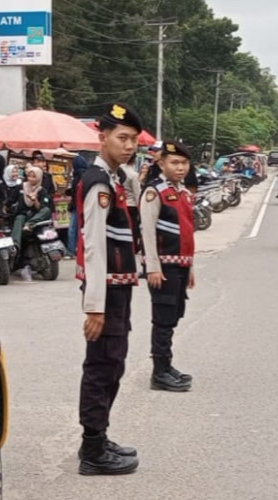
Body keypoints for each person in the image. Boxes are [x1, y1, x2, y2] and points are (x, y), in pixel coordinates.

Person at [75, 102, 142, 476]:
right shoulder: (98, 184)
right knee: (102, 367)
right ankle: (92, 450)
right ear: (102, 138)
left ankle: (99, 437)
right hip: (106, 292)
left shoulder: (115, 178)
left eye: (133, 139)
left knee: (113, 363)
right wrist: (94, 306)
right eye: (121, 138)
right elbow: (95, 246)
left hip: (119, 288)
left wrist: (127, 174)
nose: (129, 145)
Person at [139, 141, 195, 392]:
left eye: (184, 163)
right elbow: (147, 231)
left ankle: (167, 365)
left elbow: (187, 233)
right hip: (163, 267)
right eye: (174, 162)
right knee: (162, 318)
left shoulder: (183, 192)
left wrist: (190, 268)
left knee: (173, 316)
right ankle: (159, 372)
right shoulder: (155, 192)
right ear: (161, 164)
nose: (180, 167)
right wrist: (152, 266)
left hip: (180, 266)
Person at [10, 165, 54, 280]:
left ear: (39, 178)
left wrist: (35, 201)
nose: (31, 179)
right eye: (29, 176)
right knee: (19, 217)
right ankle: (16, 246)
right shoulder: (21, 187)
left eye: (34, 177)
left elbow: (42, 209)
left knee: (47, 210)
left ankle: (29, 224)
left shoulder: (42, 191)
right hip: (23, 215)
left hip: (35, 219)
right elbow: (10, 201)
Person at [65, 155, 89, 259]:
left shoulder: (79, 176)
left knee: (73, 229)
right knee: (79, 229)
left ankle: (71, 251)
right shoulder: (86, 174)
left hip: (78, 206)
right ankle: (78, 250)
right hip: (83, 206)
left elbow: (77, 192)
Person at [120, 153, 142, 250]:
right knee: (133, 226)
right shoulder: (133, 175)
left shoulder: (118, 171)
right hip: (132, 204)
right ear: (134, 160)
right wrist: (140, 206)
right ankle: (133, 246)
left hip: (121, 202)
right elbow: (137, 193)